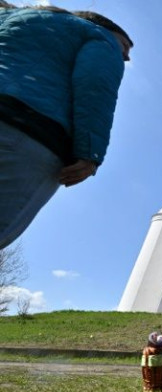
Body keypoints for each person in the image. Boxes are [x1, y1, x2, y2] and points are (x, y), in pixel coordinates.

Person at [0, 5, 133, 249]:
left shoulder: (11, 19)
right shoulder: (99, 37)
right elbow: (95, 87)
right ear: (103, 27)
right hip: (29, 132)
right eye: (124, 46)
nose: (125, 57)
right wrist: (90, 153)